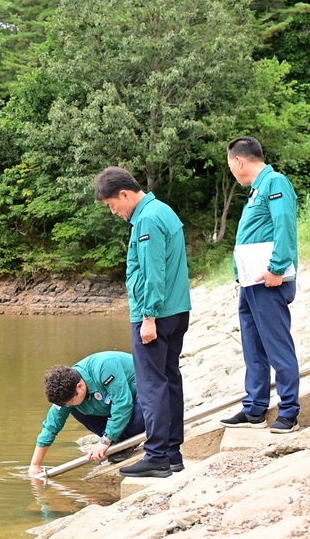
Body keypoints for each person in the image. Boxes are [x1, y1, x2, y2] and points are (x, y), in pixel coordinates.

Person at [94, 167, 192, 478]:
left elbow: (153, 273)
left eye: (112, 205)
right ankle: (172, 453)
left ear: (124, 194)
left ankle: (157, 456)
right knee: (169, 380)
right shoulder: (162, 210)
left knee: (152, 386)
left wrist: (147, 317)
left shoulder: (147, 219)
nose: (113, 212)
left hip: (156, 315)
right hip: (176, 311)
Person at [220, 136, 301, 434]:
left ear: (239, 161)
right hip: (250, 282)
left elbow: (285, 226)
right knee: (253, 347)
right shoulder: (256, 190)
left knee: (277, 345)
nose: (232, 171)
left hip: (269, 281)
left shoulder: (275, 183)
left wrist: (277, 268)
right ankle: (254, 407)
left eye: (231, 166)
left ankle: (289, 410)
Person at [28, 351, 144, 477]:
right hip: (115, 406)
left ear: (80, 386)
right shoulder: (67, 390)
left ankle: (124, 438)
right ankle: (119, 440)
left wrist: (104, 441)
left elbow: (122, 405)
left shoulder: (105, 367)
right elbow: (51, 426)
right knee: (74, 409)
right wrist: (35, 464)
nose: (67, 405)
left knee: (145, 406)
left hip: (141, 398)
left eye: (70, 401)